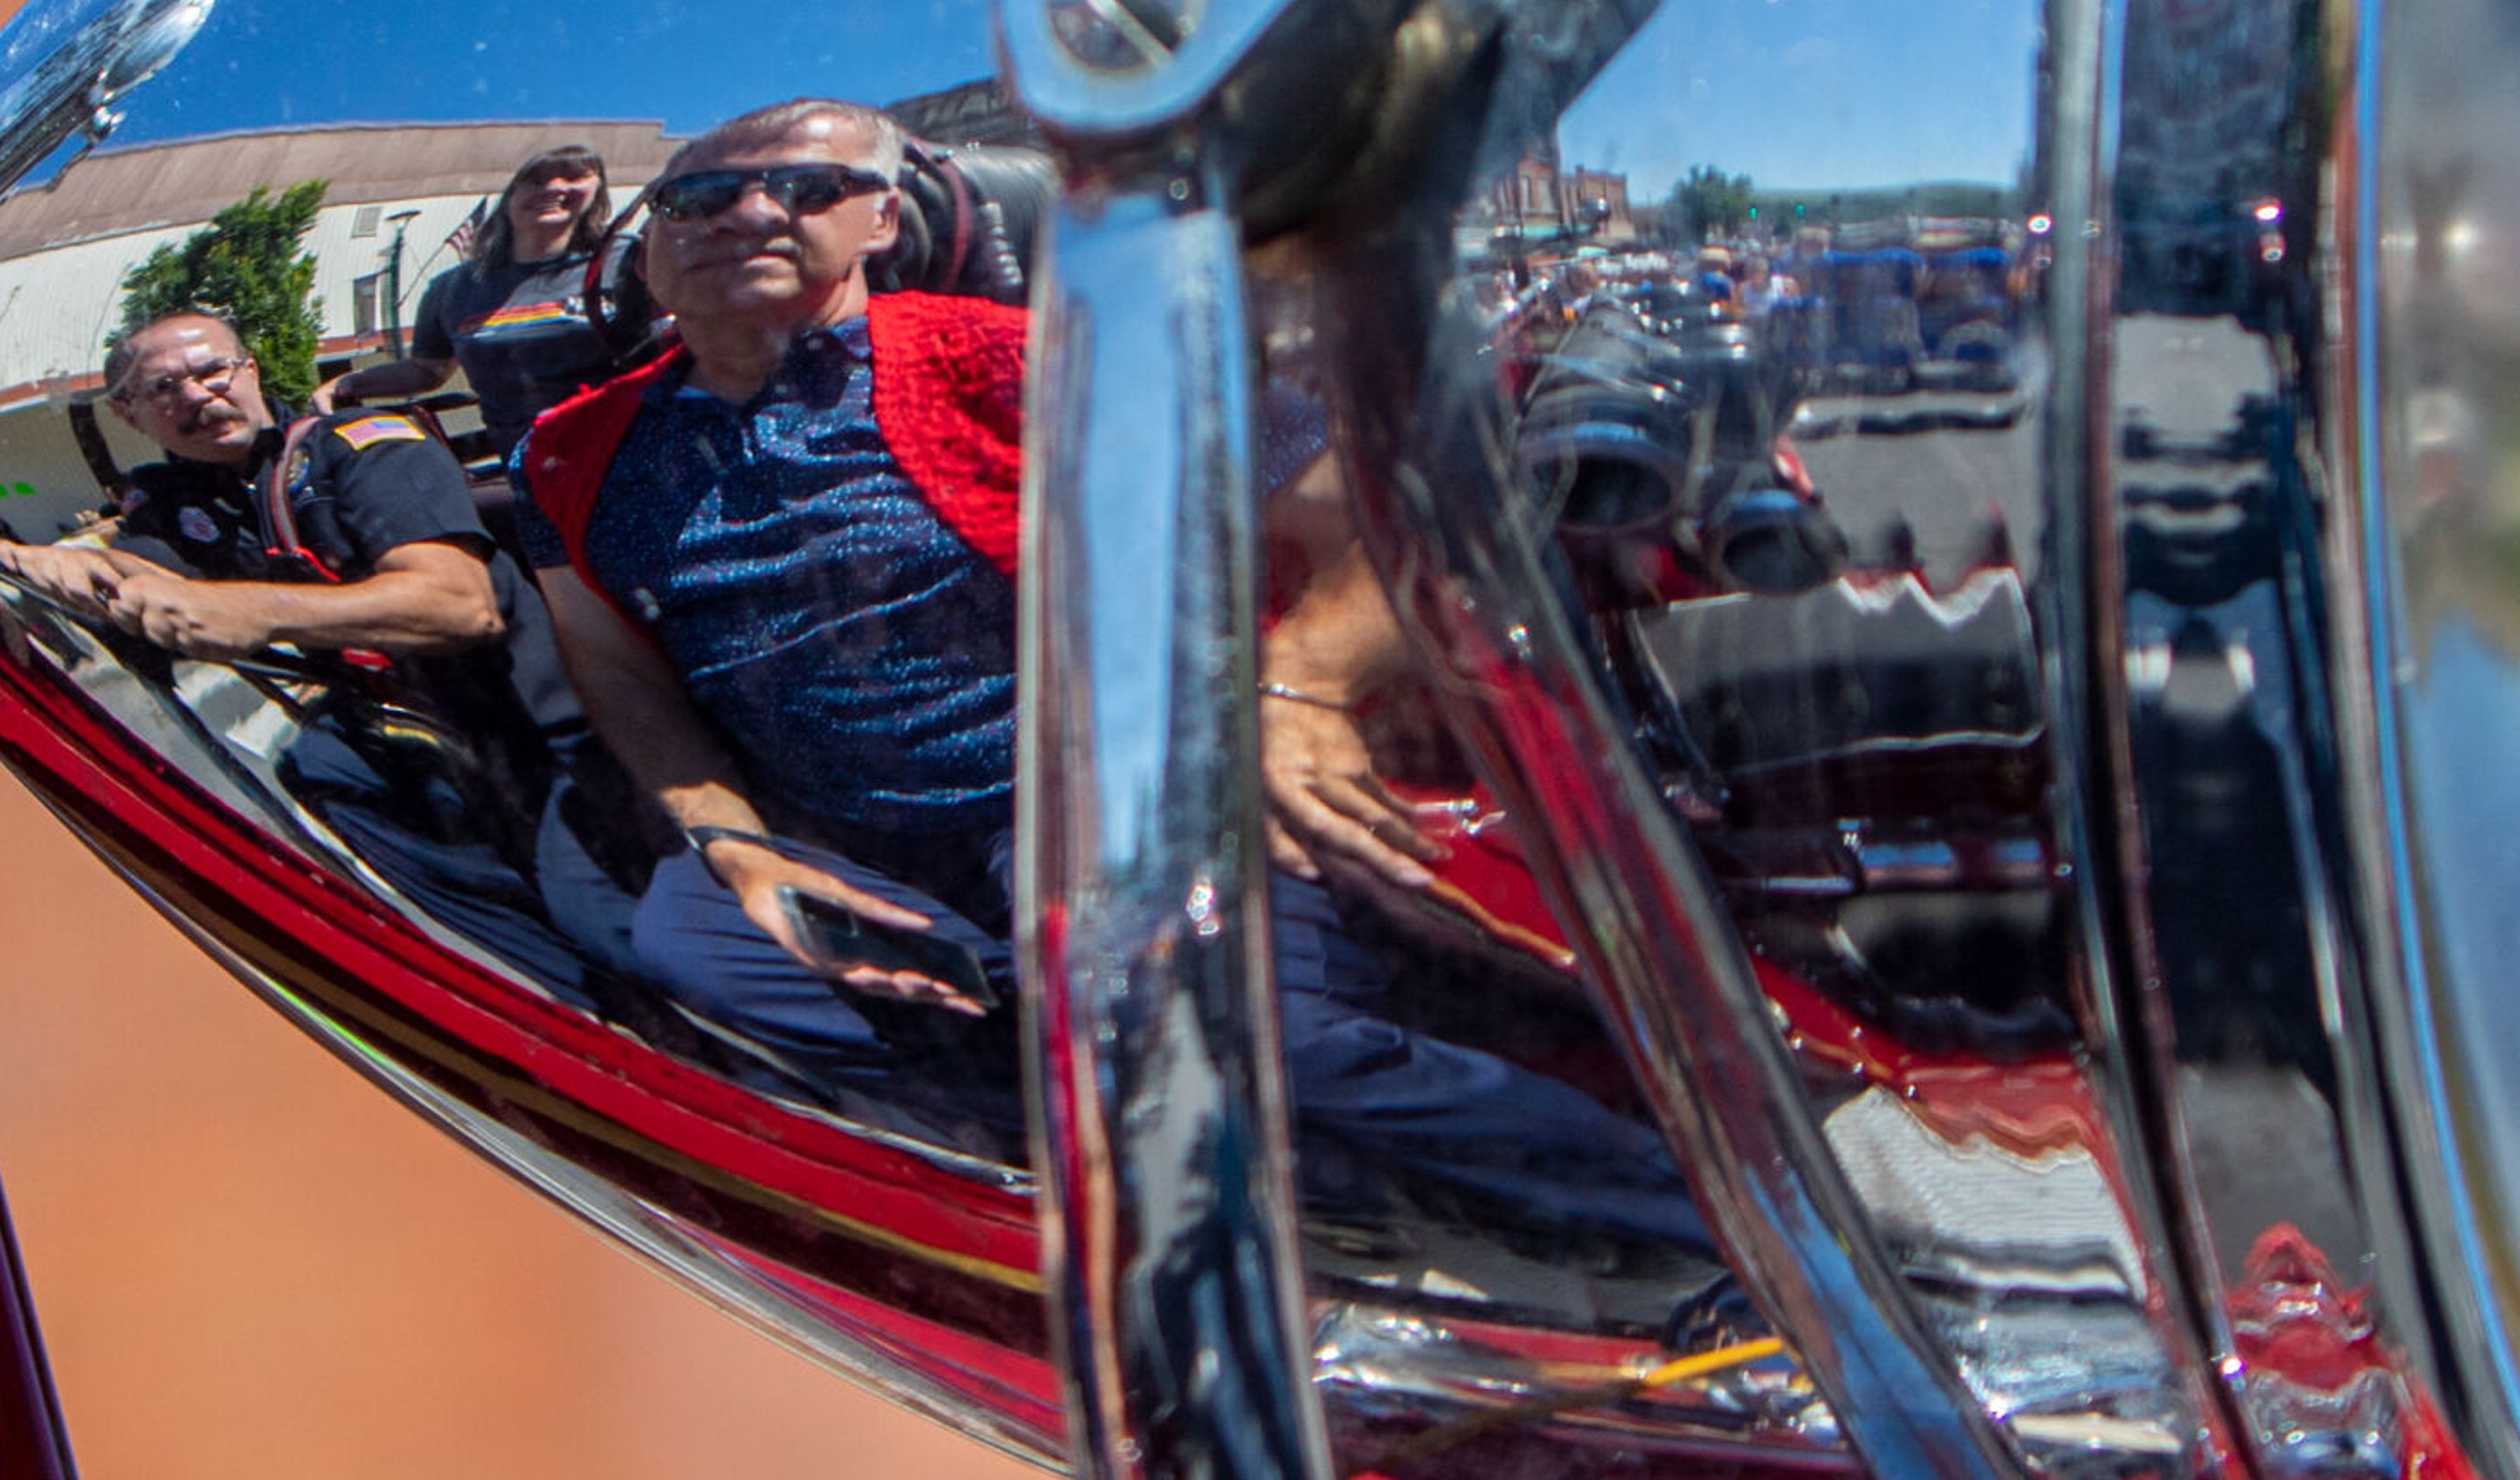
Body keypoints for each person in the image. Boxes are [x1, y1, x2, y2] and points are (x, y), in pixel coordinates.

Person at [518, 98, 1710, 1243]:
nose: (750, 213)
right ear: (652, 241)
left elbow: (1384, 506)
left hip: (1109, 799)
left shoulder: (1010, 359)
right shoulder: (576, 450)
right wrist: (731, 836)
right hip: (842, 833)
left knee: (1236, 1027)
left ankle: (1693, 1210)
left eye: (808, 186)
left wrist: (1301, 684)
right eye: (704, 194)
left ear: (884, 220)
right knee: (691, 947)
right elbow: (616, 666)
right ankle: (1102, 1118)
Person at [0, 310, 595, 979]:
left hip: (544, 751)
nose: (197, 395)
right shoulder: (175, 505)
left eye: (212, 370)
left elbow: (458, 605)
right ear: (129, 414)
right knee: (515, 973)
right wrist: (49, 561)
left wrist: (252, 610)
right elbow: (144, 574)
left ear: (247, 369)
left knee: (644, 947)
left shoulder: (359, 447)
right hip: (409, 770)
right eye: (164, 388)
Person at [324, 144, 652, 458]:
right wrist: (348, 383)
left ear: (598, 188)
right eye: (534, 179)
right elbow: (428, 370)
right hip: (532, 470)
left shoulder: (633, 260)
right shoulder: (453, 289)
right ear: (508, 196)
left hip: (636, 452)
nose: (553, 187)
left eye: (572, 175)